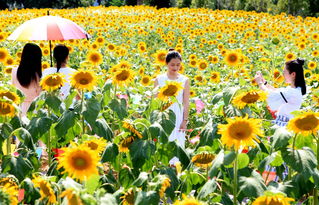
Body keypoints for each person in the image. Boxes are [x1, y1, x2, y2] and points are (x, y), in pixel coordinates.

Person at [154, 49, 190, 148]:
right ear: (166, 63)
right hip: (163, 115)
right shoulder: (159, 79)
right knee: (163, 143)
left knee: (177, 145)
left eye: (178, 65)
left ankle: (177, 164)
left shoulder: (184, 80)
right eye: (172, 64)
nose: (175, 67)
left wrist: (185, 121)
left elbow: (186, 102)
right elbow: (155, 101)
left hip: (178, 115)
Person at [255, 58, 306, 127]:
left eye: (284, 72)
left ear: (293, 74)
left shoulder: (292, 92)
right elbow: (276, 91)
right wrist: (265, 83)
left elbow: (270, 94)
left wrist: (260, 83)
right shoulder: (294, 90)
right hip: (283, 122)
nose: (283, 75)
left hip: (285, 126)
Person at [11, 43, 42, 117]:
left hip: (19, 108)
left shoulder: (14, 71)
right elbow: (40, 95)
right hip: (34, 109)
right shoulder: (38, 75)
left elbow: (13, 89)